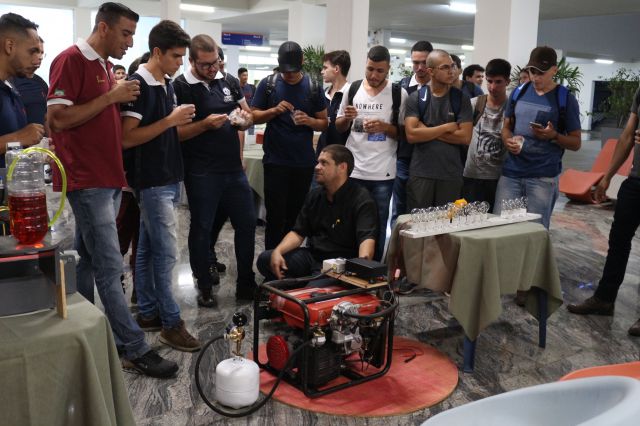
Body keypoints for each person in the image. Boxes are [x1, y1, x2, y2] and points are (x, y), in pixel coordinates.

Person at [47, 2, 177, 377]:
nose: (130, 42)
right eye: (125, 33)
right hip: (87, 179)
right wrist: (110, 97)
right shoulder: (71, 60)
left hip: (107, 178)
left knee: (87, 262)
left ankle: (86, 331)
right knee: (109, 266)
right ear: (103, 28)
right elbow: (57, 118)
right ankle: (134, 347)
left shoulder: (104, 66)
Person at [120, 20, 201, 352]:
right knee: (166, 253)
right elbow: (127, 138)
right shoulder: (138, 84)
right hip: (151, 181)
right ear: (157, 52)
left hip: (167, 176)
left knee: (149, 249)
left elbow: (165, 132)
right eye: (176, 56)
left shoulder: (165, 83)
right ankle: (171, 322)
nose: (180, 63)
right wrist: (170, 120)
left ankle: (150, 311)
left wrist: (176, 122)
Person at [173, 34, 256, 306]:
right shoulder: (181, 86)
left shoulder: (228, 80)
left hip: (232, 169)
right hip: (201, 171)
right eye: (206, 65)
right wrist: (204, 125)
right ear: (192, 61)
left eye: (216, 62)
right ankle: (204, 285)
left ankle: (246, 282)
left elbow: (248, 114)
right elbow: (175, 134)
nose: (212, 69)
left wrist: (244, 121)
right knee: (202, 226)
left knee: (246, 223)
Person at [566, 87, 640, 336]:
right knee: (618, 241)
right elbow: (627, 136)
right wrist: (607, 176)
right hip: (635, 181)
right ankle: (604, 298)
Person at [257, 144, 377, 281]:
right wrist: (278, 251)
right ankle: (301, 284)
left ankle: (303, 285)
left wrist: (360, 270)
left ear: (342, 167)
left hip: (339, 265)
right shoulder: (315, 195)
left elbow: (367, 239)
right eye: (318, 162)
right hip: (313, 256)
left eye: (324, 163)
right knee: (266, 259)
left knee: (314, 292)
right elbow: (298, 233)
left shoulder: (361, 199)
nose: (317, 167)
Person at [251, 41, 328, 250]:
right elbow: (253, 116)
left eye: (294, 71)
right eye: (286, 71)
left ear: (301, 62)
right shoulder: (268, 84)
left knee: (296, 218)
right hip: (275, 162)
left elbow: (324, 122)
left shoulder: (313, 87)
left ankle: (291, 260)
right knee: (275, 217)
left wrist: (309, 121)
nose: (290, 75)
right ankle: (271, 260)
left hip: (303, 163)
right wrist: (274, 111)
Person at [496, 46, 581, 230]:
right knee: (501, 230)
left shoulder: (564, 99)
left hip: (543, 177)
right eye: (532, 71)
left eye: (541, 73)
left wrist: (554, 135)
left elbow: (576, 143)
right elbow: (506, 127)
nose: (535, 77)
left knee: (534, 233)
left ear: (554, 70)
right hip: (511, 174)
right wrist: (508, 140)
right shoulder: (519, 92)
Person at [335, 45, 408, 261]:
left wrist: (385, 128)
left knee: (377, 224)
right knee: (348, 222)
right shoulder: (352, 89)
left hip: (383, 173)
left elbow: (404, 133)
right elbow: (339, 126)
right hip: (353, 170)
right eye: (370, 69)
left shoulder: (398, 93)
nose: (374, 75)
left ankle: (373, 271)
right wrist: (347, 118)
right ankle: (346, 268)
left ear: (388, 70)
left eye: (379, 71)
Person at [404, 49, 473, 209]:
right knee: (419, 222)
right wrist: (446, 127)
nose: (451, 71)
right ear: (431, 71)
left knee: (446, 222)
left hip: (451, 174)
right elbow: (412, 135)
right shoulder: (416, 98)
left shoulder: (460, 99)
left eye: (452, 66)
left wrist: (426, 130)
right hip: (421, 173)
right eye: (445, 67)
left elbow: (465, 137)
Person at [392, 40, 433, 228]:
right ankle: (396, 245)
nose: (420, 67)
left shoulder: (440, 90)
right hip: (404, 156)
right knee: (399, 209)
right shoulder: (400, 89)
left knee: (423, 210)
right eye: (416, 62)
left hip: (430, 157)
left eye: (424, 62)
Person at [462, 58, 511, 211]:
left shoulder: (512, 108)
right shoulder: (475, 104)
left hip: (500, 177)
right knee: (469, 219)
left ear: (507, 82)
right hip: (472, 176)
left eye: (498, 82)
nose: (492, 87)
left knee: (495, 221)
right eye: (489, 81)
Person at [0, 13, 44, 167]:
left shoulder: (11, 89)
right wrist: (18, 137)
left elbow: (11, 148)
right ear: (9, 46)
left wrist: (34, 153)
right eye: (32, 51)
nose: (37, 59)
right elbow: (17, 138)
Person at [315, 49, 351, 157]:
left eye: (325, 68)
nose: (322, 72)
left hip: (343, 156)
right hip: (322, 154)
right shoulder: (323, 94)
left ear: (336, 69)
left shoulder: (352, 94)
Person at [11, 36, 47, 129]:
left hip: (41, 137)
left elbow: (46, 116)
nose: (40, 57)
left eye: (41, 53)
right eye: (35, 52)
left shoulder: (40, 82)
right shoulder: (9, 81)